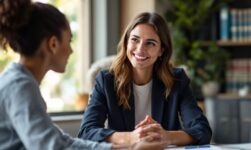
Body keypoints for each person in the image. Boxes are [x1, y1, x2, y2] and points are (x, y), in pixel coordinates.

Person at [0, 0, 166, 149]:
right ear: (53, 44)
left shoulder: (20, 81)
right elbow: (50, 147)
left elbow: (63, 142)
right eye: (70, 40)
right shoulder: (19, 86)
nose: (71, 50)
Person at [78, 12, 212, 147]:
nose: (140, 49)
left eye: (151, 43)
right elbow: (87, 132)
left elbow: (202, 130)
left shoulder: (177, 80)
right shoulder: (106, 81)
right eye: (135, 39)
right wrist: (130, 138)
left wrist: (166, 136)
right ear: (126, 42)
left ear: (161, 50)